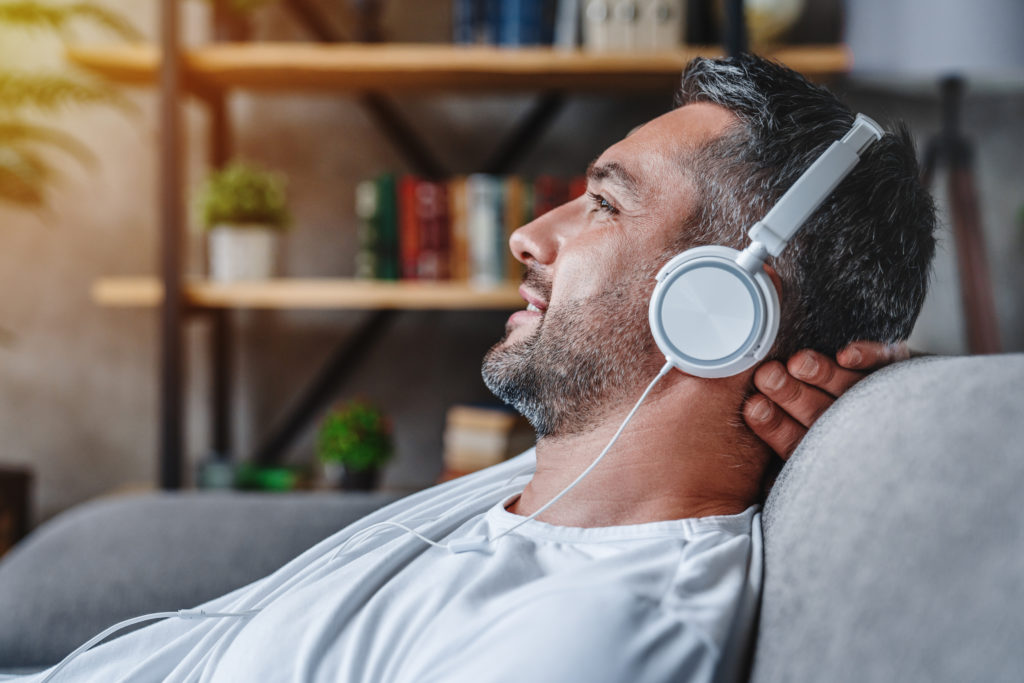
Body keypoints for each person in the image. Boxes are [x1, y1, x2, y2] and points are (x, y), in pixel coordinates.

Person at [14, 54, 935, 683]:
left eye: (605, 205)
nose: (529, 236)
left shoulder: (593, 629)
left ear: (721, 305)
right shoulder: (565, 489)